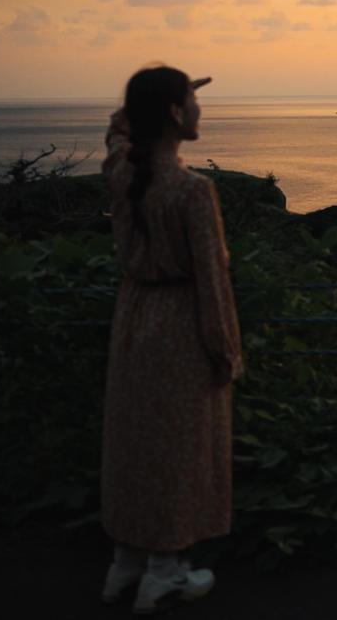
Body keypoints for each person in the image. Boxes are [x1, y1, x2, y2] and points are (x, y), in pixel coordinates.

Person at [98, 65, 244, 613]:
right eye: (192, 101)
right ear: (177, 115)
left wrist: (149, 102)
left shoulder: (122, 171)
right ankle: (167, 570)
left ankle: (125, 563)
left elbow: (115, 131)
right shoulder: (191, 190)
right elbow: (213, 280)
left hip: (134, 316)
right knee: (180, 448)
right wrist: (226, 350)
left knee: (134, 443)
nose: (202, 111)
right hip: (181, 324)